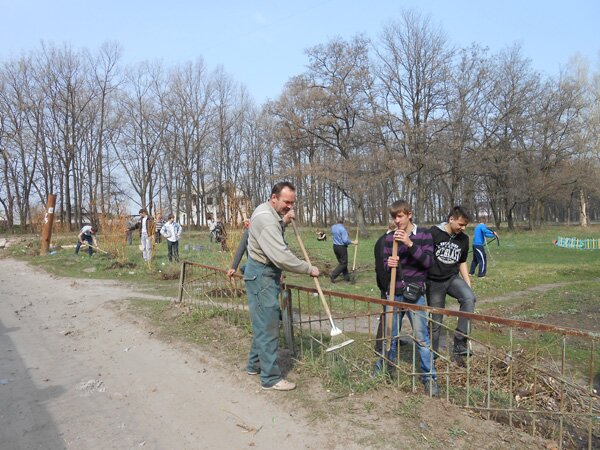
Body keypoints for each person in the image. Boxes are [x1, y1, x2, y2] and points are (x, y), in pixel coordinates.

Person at [244, 181, 319, 391]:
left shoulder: (266, 211)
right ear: (274, 197)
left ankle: (254, 364)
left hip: (261, 272)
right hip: (262, 275)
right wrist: (307, 268)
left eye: (292, 203)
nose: (289, 206)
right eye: (286, 202)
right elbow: (281, 257)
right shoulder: (267, 220)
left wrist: (283, 222)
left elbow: (270, 235)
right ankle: (270, 378)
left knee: (263, 322)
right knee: (268, 326)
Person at [376, 200, 438, 397]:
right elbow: (385, 263)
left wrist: (410, 244)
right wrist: (389, 263)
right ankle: (385, 372)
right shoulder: (389, 239)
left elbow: (429, 262)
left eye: (400, 216)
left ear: (409, 214)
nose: (397, 221)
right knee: (389, 335)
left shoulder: (424, 234)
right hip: (394, 292)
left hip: (415, 294)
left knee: (422, 338)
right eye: (394, 217)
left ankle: (429, 378)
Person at [427, 206, 476, 360]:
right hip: (434, 281)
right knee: (436, 319)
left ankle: (460, 344)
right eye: (460, 224)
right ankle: (432, 352)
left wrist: (467, 282)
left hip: (452, 279)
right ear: (451, 219)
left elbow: (462, 261)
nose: (463, 228)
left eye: (465, 225)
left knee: (469, 298)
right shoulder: (434, 233)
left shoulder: (464, 239)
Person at [329, 218, 357, 283]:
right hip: (341, 247)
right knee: (344, 263)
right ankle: (333, 275)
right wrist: (353, 242)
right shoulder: (343, 229)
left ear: (337, 221)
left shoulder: (333, 227)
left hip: (335, 246)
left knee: (342, 263)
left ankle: (346, 278)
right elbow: (345, 241)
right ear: (343, 222)